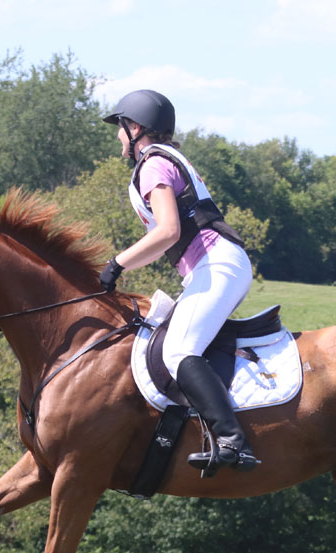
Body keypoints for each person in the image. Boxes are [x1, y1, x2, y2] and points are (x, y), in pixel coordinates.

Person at [99, 89, 258, 474]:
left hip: (217, 264)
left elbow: (168, 231)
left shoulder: (152, 165)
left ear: (135, 128)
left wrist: (117, 264)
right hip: (213, 265)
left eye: (120, 128)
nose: (118, 137)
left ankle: (232, 442)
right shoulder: (164, 159)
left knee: (177, 350)